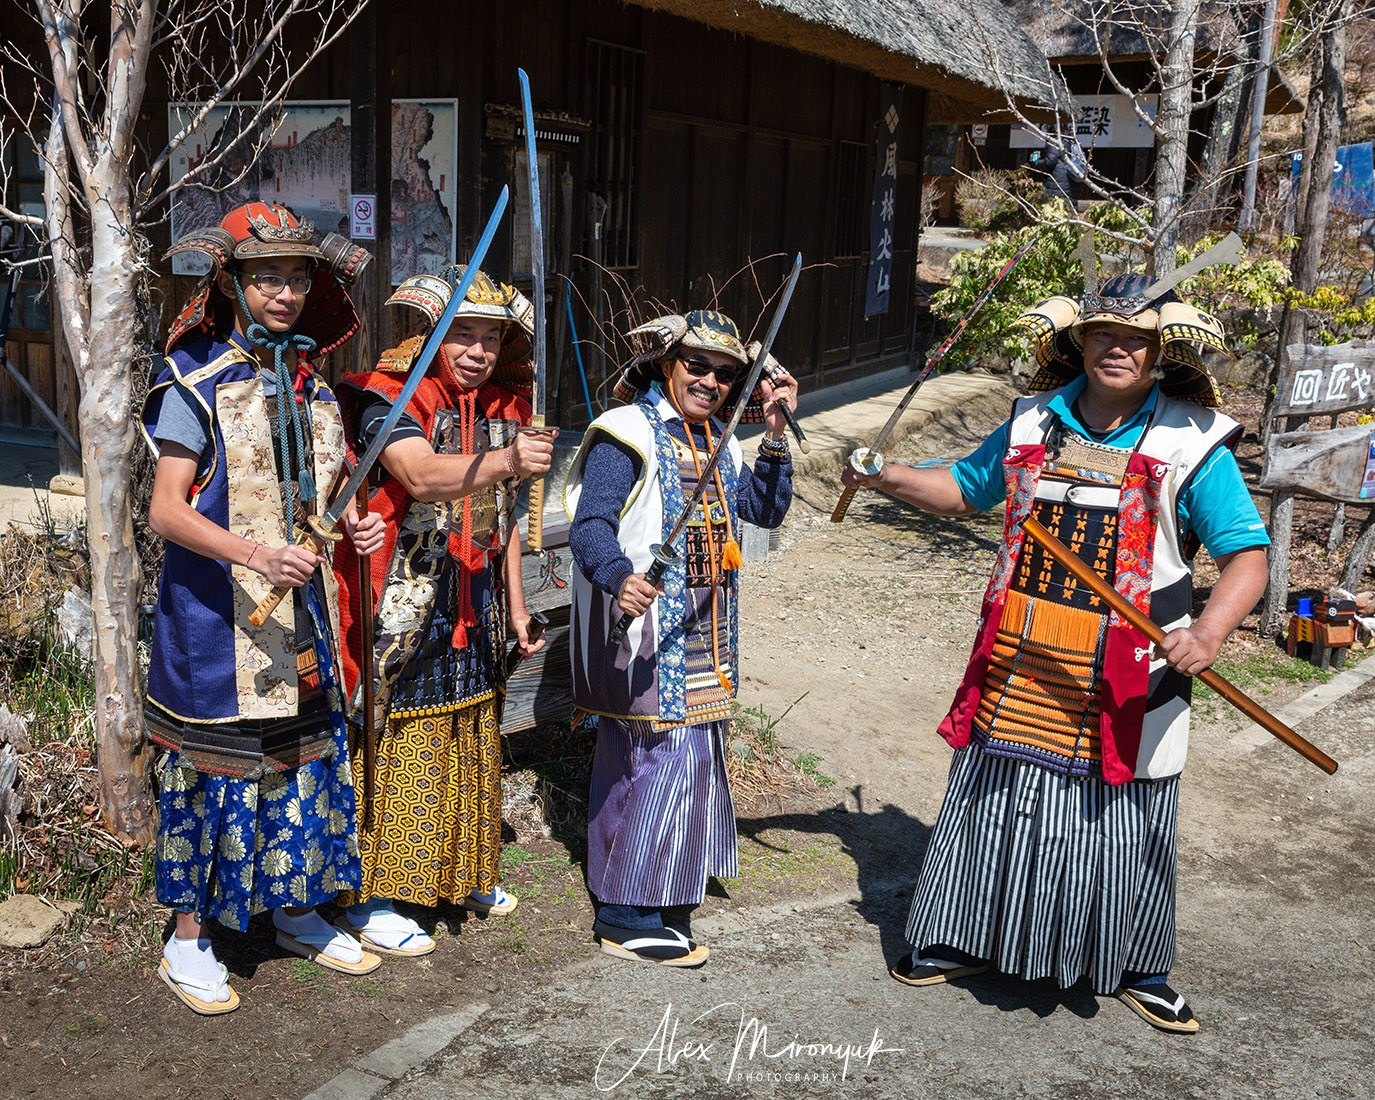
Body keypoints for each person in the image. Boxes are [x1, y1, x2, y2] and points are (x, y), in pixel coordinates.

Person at [843, 273, 1270, 1032]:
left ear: (1156, 351)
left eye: (1135, 340)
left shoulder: (1189, 437)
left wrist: (1205, 634)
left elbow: (1245, 556)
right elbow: (967, 490)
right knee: (996, 793)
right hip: (1022, 649)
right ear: (1079, 342)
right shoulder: (1032, 421)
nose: (1118, 350)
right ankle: (961, 936)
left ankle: (1137, 963)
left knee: (1127, 811)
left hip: (1132, 666)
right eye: (1104, 335)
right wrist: (885, 476)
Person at [143, 202, 385, 1015]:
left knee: (302, 754)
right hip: (216, 620)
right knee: (211, 772)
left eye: (296, 276)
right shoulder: (193, 381)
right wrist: (254, 554)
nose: (284, 292)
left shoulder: (312, 384)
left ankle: (294, 909)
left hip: (303, 613)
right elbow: (167, 512)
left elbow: (322, 487)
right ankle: (188, 942)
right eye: (266, 276)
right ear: (232, 284)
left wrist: (356, 517)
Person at [330, 269, 553, 956]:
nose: (478, 350)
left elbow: (508, 517)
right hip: (400, 586)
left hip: (474, 591)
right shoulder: (384, 394)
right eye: (464, 334)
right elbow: (420, 474)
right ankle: (368, 894)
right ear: (430, 332)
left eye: (491, 337)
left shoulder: (504, 406)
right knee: (392, 733)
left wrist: (518, 607)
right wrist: (505, 459)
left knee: (471, 723)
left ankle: (457, 871)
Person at [566, 309, 798, 966]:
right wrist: (619, 577)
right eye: (697, 365)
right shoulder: (624, 433)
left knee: (692, 759)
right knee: (649, 758)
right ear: (665, 364)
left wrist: (774, 432)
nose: (710, 381)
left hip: (707, 626)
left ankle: (665, 892)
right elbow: (590, 525)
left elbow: (763, 510)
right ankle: (621, 911)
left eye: (725, 374)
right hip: (641, 627)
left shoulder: (719, 441)